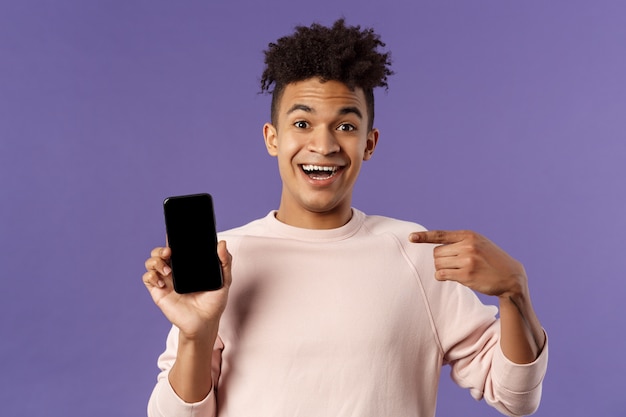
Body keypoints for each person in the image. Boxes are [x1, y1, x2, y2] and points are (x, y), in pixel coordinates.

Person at [142, 19, 548, 417]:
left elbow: (515, 398)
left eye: (346, 126)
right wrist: (197, 335)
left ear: (369, 143)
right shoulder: (225, 261)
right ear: (272, 138)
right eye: (302, 123)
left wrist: (515, 292)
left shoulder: (414, 253)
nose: (323, 144)